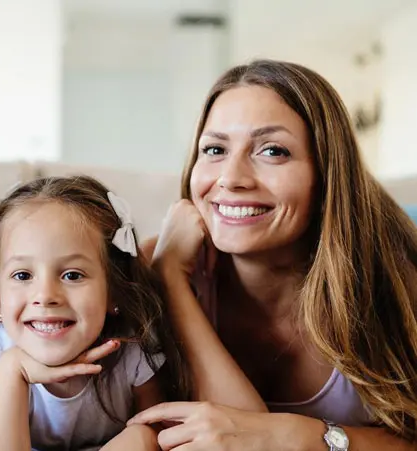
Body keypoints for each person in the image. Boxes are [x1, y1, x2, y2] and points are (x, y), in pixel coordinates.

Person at [131, 59, 417, 450]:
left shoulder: (396, 276)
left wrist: (298, 435)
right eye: (214, 149)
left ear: (328, 174)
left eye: (272, 151)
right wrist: (170, 280)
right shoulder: (151, 272)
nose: (231, 178)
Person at [0, 176, 186, 450]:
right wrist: (13, 370)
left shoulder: (132, 352)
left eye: (72, 275)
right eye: (22, 275)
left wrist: (145, 437)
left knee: (144, 436)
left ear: (113, 292)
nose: (45, 296)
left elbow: (163, 441)